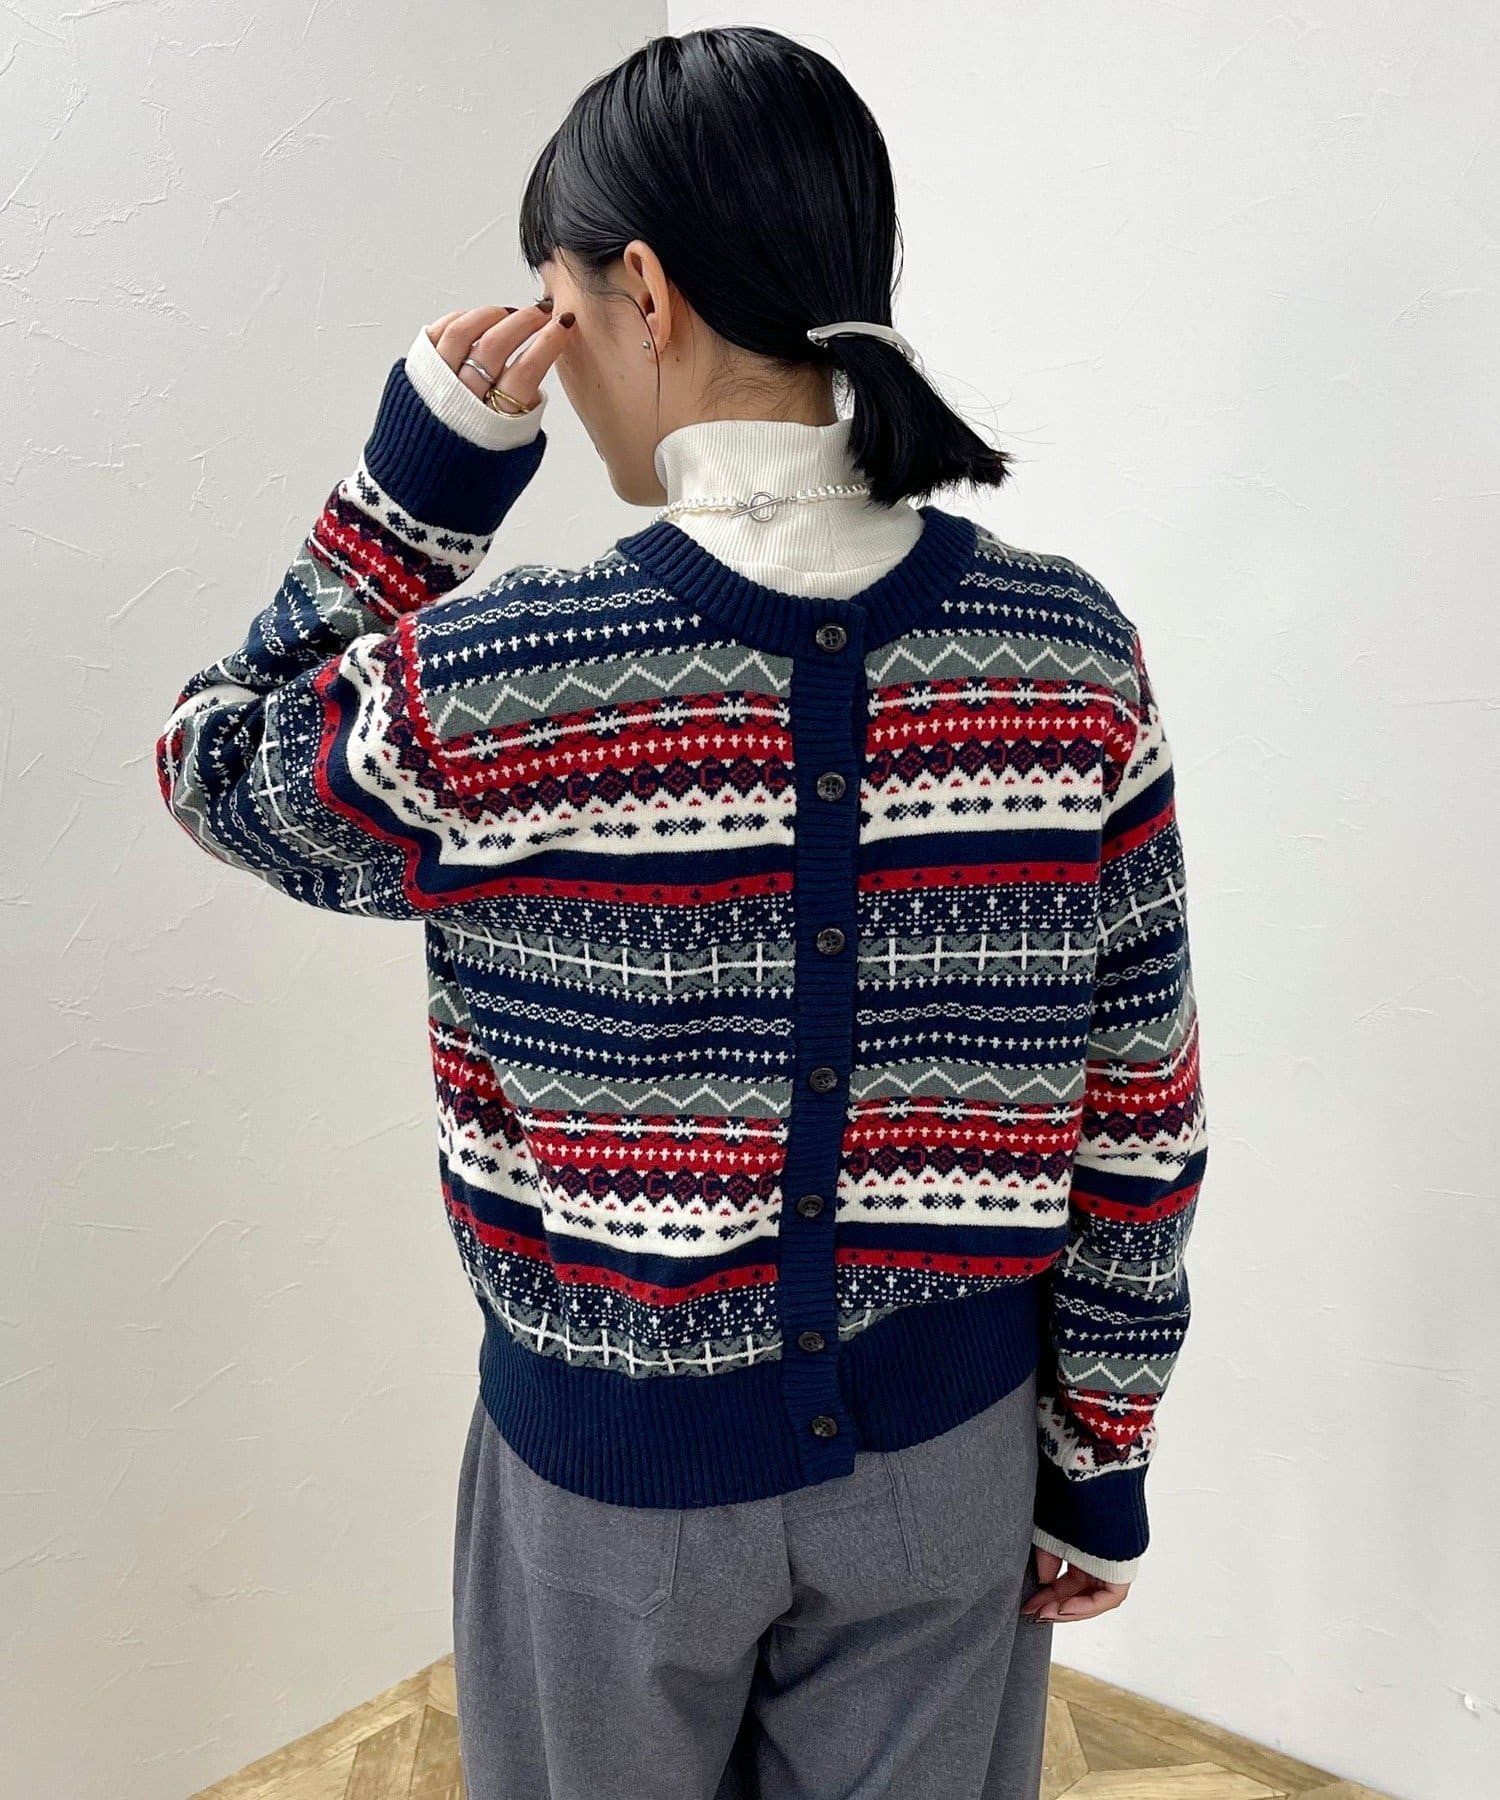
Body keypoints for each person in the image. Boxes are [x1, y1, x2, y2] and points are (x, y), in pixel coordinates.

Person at [155, 26, 1208, 1800]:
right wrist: (1098, 1452)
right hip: (949, 1472)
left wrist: (416, 494)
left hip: (611, 1491)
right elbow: (1141, 1096)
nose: (558, 363)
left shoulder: (501, 680)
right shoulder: (1068, 647)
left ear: (640, 291)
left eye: (558, 308)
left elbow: (211, 762)